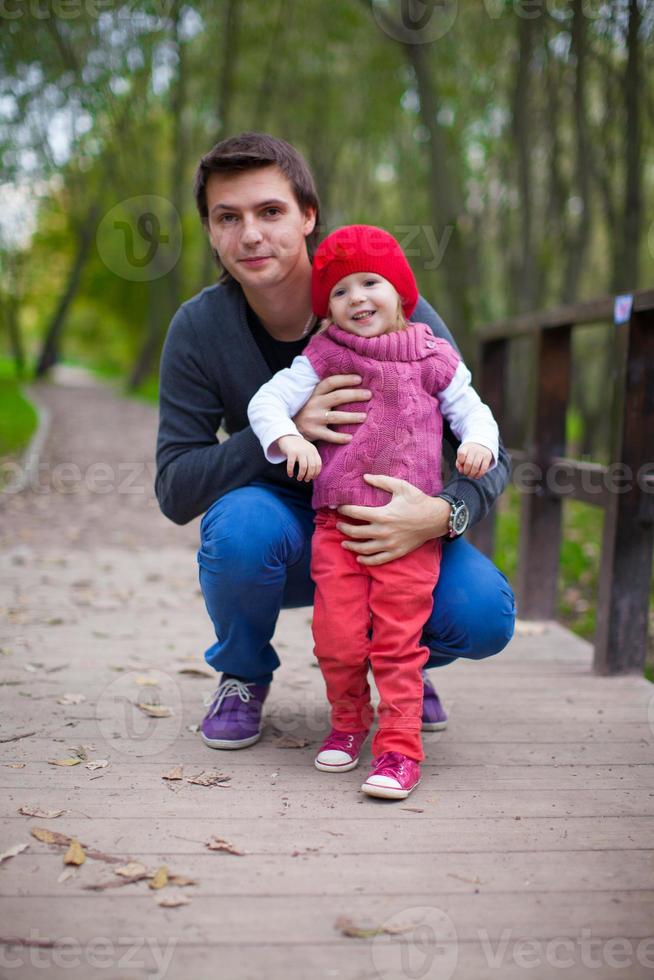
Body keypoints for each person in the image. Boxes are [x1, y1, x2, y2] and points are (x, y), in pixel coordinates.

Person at [154, 132, 516, 758]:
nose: (250, 236)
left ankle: (399, 658)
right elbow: (176, 487)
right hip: (285, 537)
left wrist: (442, 513)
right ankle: (243, 673)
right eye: (227, 218)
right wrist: (281, 429)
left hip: (394, 524)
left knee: (485, 614)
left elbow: (490, 447)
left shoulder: (390, 303)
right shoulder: (199, 328)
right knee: (238, 527)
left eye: (270, 211)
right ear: (211, 233)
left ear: (308, 216)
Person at [247, 224, 499, 799]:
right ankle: (347, 722)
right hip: (338, 525)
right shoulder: (325, 352)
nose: (357, 297)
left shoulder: (432, 354)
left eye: (371, 283)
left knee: (397, 641)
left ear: (401, 293)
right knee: (336, 637)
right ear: (327, 309)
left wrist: (477, 442)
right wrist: (292, 439)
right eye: (339, 291)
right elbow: (267, 402)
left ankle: (400, 749)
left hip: (411, 531)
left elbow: (472, 409)